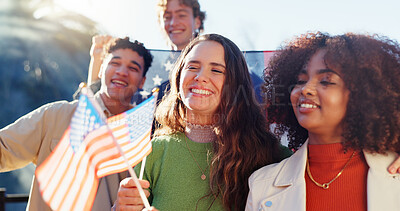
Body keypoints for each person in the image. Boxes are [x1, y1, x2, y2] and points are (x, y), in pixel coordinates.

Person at [113, 34, 292, 211]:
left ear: (236, 84)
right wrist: (119, 208)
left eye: (216, 70)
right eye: (192, 66)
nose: (200, 77)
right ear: (178, 76)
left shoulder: (271, 154)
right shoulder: (154, 150)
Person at [246, 32, 400, 211]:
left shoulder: (394, 173)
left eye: (326, 81)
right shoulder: (261, 185)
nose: (306, 89)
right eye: (300, 81)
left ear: (363, 95)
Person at [0, 37, 153, 210]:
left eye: (133, 68)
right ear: (102, 69)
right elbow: (4, 149)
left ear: (142, 81)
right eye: (115, 63)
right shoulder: (56, 115)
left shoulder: (144, 137)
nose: (122, 72)